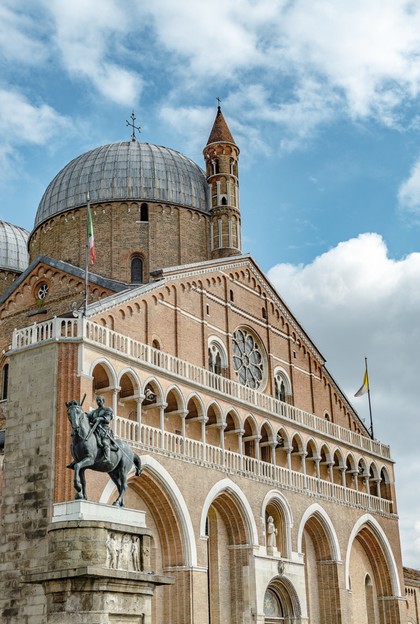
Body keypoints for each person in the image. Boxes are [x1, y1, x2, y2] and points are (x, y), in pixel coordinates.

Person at [88, 395, 116, 462]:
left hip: (103, 429)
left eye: (99, 400)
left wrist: (100, 418)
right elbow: (88, 416)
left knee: (104, 442)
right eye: (97, 400)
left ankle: (107, 458)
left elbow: (108, 419)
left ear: (103, 401)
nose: (98, 402)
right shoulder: (94, 412)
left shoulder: (107, 409)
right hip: (95, 429)